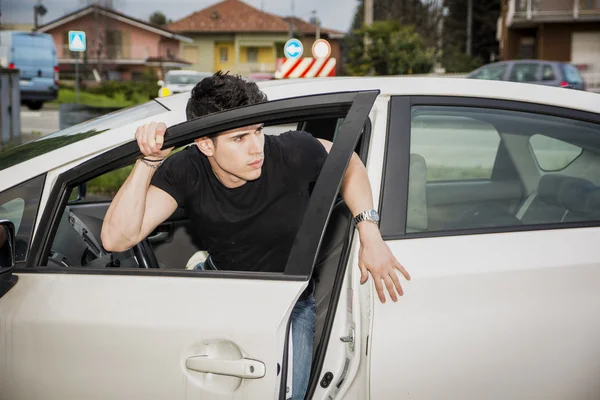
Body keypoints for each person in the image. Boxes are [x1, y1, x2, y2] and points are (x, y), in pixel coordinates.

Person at [101, 71, 410, 399]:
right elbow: (116, 239)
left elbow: (350, 164)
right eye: (239, 138)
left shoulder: (291, 152)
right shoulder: (187, 168)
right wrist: (148, 162)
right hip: (223, 284)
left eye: (258, 131)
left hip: (289, 301)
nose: (255, 148)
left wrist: (369, 232)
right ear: (205, 143)